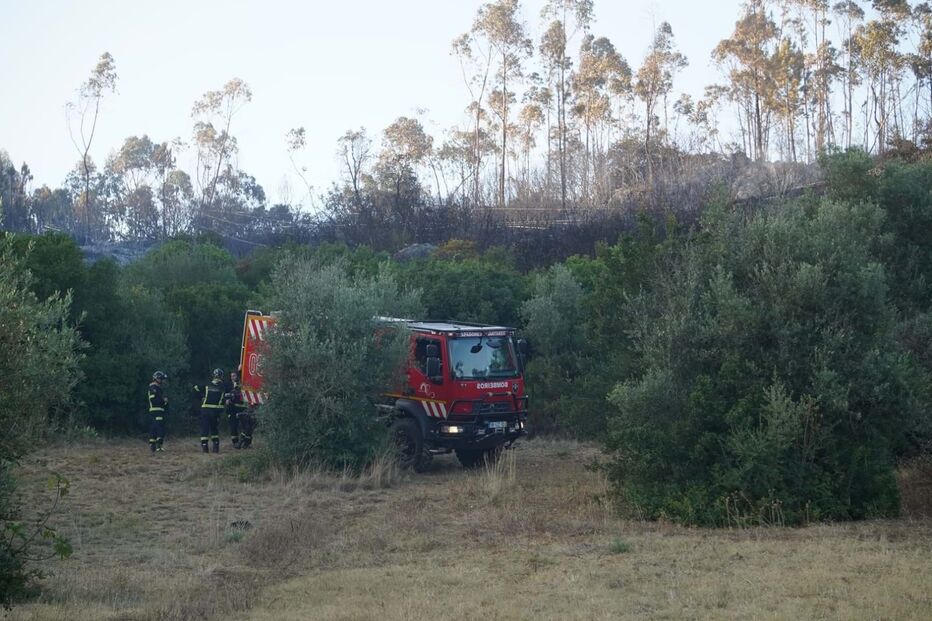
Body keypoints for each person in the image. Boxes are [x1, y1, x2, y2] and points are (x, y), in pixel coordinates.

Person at [193, 368, 225, 453]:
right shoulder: (223, 386)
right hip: (215, 410)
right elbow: (225, 398)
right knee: (214, 428)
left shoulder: (207, 384)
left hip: (205, 409)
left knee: (205, 428)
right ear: (221, 376)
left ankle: (205, 447)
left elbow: (195, 388)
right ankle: (216, 446)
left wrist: (201, 397)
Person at [226, 370, 249, 448]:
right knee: (233, 425)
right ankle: (235, 442)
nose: (232, 377)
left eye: (234, 375)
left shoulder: (242, 384)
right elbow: (225, 394)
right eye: (231, 376)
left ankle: (246, 442)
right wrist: (226, 400)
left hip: (243, 408)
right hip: (233, 408)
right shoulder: (228, 385)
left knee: (245, 425)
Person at [147, 371, 169, 452]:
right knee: (160, 428)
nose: (163, 381)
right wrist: (163, 400)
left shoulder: (158, 388)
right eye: (162, 379)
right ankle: (158, 445)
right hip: (156, 411)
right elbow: (153, 399)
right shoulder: (153, 387)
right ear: (157, 379)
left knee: (154, 427)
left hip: (158, 410)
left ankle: (153, 445)